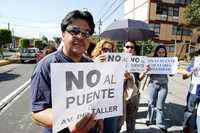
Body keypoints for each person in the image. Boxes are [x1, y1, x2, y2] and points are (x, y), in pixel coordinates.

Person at [31, 10, 103, 133]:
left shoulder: (90, 65)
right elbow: (37, 113)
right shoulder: (47, 65)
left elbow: (95, 100)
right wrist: (69, 121)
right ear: (63, 34)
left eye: (86, 33)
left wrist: (99, 118)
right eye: (74, 31)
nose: (81, 36)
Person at [116, 41, 149, 133]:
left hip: (134, 95)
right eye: (127, 46)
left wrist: (145, 72)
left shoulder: (138, 61)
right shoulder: (117, 59)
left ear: (134, 50)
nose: (129, 49)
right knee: (118, 121)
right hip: (120, 95)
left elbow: (139, 79)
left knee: (131, 120)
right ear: (123, 48)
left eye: (132, 47)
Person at [91, 39, 118, 133]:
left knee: (110, 130)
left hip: (110, 105)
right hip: (94, 106)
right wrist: (93, 64)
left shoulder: (116, 66)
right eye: (104, 49)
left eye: (110, 50)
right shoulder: (90, 62)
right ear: (99, 49)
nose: (107, 52)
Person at [145, 45, 170, 132]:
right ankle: (149, 119)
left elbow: (171, 74)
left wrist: (174, 68)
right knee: (151, 103)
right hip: (152, 84)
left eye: (163, 52)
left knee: (160, 105)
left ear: (165, 53)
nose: (161, 54)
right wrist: (147, 69)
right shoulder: (152, 61)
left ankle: (160, 123)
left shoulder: (168, 61)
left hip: (163, 85)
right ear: (156, 52)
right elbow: (147, 74)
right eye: (159, 52)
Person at [182, 49, 200, 133]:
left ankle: (197, 127)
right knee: (189, 110)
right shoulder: (193, 64)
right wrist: (192, 71)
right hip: (194, 91)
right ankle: (186, 127)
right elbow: (184, 76)